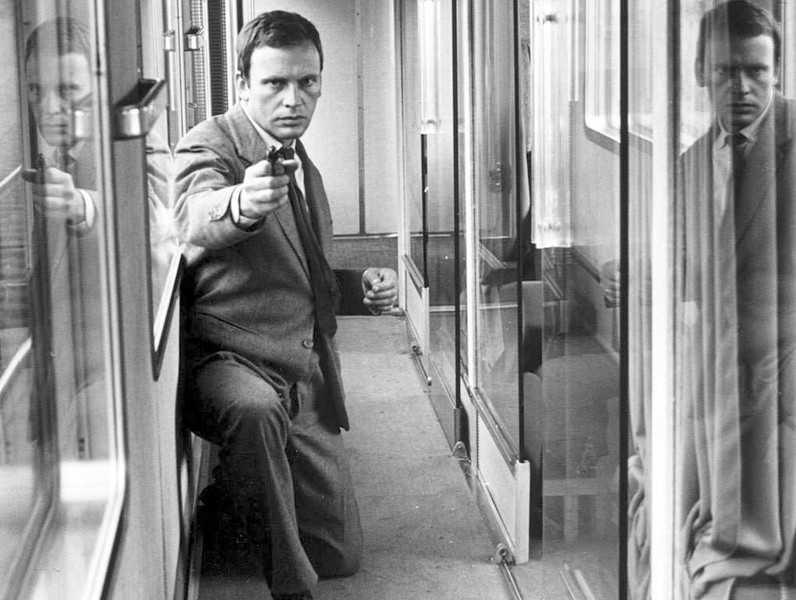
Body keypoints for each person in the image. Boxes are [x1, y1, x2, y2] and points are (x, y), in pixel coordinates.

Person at [173, 11, 397, 600]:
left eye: (307, 82)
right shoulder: (209, 143)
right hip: (231, 362)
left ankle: (232, 498)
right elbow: (195, 215)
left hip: (301, 367)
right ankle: (288, 585)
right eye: (275, 83)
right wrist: (243, 204)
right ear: (242, 84)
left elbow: (301, 268)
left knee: (339, 555)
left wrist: (360, 286)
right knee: (254, 413)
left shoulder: (301, 161)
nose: (294, 99)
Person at [627, 2, 796, 598]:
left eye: (757, 71)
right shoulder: (691, 164)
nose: (742, 87)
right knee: (670, 507)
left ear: (777, 71)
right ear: (700, 72)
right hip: (718, 375)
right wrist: (638, 279)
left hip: (784, 379)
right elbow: (684, 269)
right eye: (726, 71)